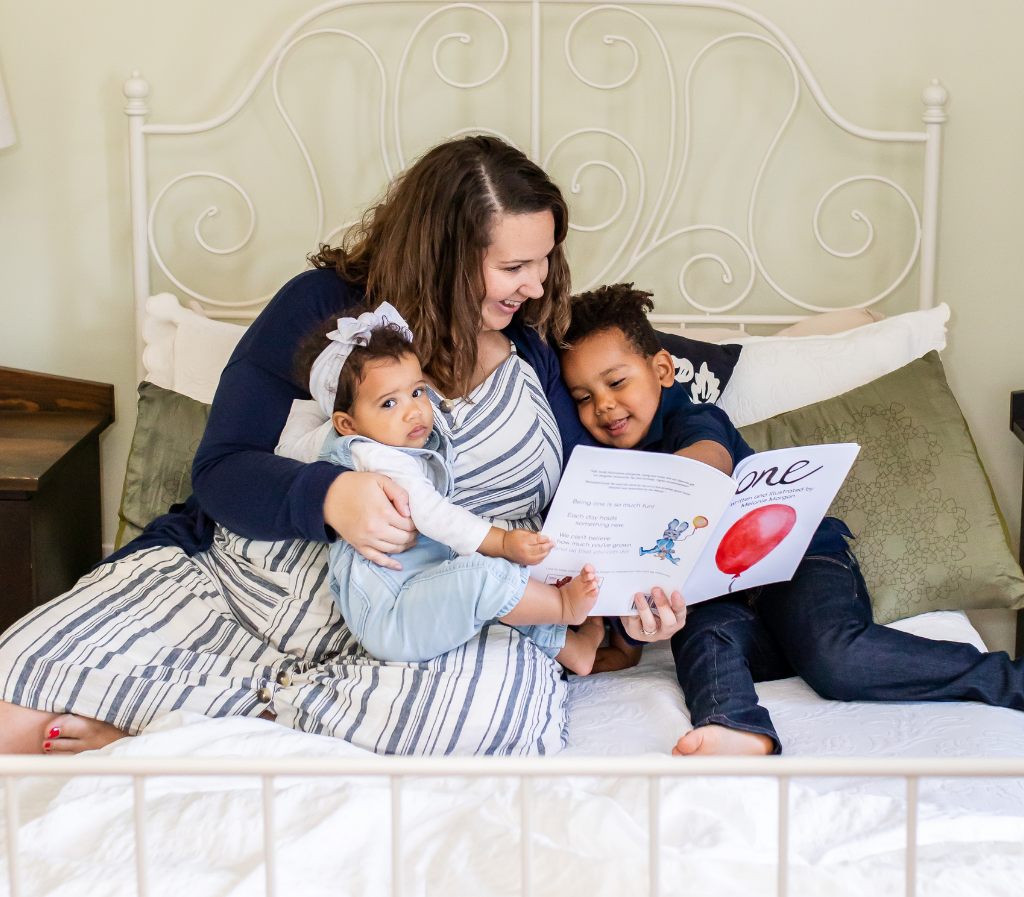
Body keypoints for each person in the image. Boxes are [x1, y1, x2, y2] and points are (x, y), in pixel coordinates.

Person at [0, 137, 682, 757]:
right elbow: (222, 468)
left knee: (473, 728)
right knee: (11, 697)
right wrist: (330, 494)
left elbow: (621, 467)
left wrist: (631, 613)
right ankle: (234, 724)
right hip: (252, 587)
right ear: (444, 256)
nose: (536, 285)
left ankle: (188, 735)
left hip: (432, 618)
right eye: (514, 266)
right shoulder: (321, 309)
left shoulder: (535, 347)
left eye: (544, 261)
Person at [557, 283, 1024, 756]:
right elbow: (625, 652)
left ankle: (1010, 681)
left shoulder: (693, 419)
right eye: (582, 396)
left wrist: (647, 505)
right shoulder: (602, 472)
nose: (604, 405)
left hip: (801, 562)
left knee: (835, 657)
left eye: (616, 383)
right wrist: (579, 647)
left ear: (661, 369)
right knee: (703, 637)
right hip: (726, 603)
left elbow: (709, 461)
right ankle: (740, 728)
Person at [286, 302, 603, 670]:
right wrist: (501, 542)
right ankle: (562, 607)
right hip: (392, 609)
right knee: (485, 575)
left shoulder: (375, 442)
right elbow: (433, 515)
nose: (413, 410)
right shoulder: (376, 456)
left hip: (416, 590)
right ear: (347, 424)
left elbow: (294, 439)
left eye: (417, 392)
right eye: (389, 402)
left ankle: (576, 651)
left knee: (486, 587)